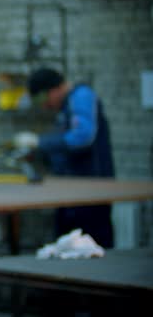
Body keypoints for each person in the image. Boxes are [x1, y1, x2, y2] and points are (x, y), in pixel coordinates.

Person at [14, 67, 115, 248]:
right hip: (72, 191)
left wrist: (40, 142)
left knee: (94, 247)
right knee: (66, 248)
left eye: (45, 100)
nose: (45, 106)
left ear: (54, 90)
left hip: (92, 191)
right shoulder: (65, 108)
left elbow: (83, 137)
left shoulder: (81, 96)